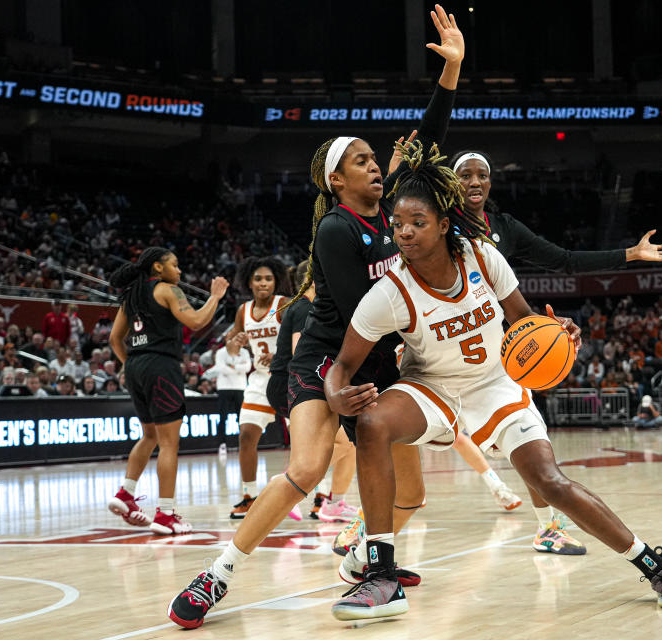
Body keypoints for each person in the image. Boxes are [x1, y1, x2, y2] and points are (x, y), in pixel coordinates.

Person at [166, 6, 463, 628]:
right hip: (329, 358)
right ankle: (215, 576)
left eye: (373, 157)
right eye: (359, 159)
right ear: (336, 179)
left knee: (412, 494)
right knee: (305, 467)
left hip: (378, 365)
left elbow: (428, 141)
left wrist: (451, 71)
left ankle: (358, 558)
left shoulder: (395, 214)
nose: (374, 162)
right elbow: (361, 312)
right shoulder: (336, 226)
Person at [323, 142, 662, 619]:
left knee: (548, 480)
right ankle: (381, 576)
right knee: (372, 423)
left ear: (442, 223)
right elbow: (342, 368)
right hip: (431, 386)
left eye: (417, 223)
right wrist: (337, 395)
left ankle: (655, 565)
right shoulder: (389, 292)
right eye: (397, 225)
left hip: (496, 383)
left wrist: (555, 332)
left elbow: (523, 322)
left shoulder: (483, 257)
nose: (405, 233)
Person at [106, 247, 229, 535]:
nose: (180, 271)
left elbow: (114, 339)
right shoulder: (168, 290)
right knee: (169, 444)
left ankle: (126, 493)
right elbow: (197, 322)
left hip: (136, 365)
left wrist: (132, 364)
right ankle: (166, 514)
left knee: (149, 435)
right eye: (175, 265)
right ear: (159, 268)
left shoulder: (131, 296)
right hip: (161, 366)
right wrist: (215, 297)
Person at [268, 261, 358, 522]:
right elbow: (301, 352)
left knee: (349, 442)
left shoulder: (304, 306)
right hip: (292, 382)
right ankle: (292, 484)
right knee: (342, 441)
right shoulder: (305, 308)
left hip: (295, 382)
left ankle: (334, 503)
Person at [226, 256, 292, 519]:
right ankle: (249, 495)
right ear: (249, 283)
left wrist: (280, 358)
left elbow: (302, 338)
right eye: (258, 279)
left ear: (276, 281)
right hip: (261, 379)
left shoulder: (284, 304)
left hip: (289, 376)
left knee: (303, 441)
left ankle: (317, 495)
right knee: (246, 436)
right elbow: (232, 345)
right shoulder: (243, 311)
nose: (263, 283)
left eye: (268, 278)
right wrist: (236, 341)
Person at [213, 331, 250, 444]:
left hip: (240, 388)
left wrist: (232, 367)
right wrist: (238, 369)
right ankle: (222, 444)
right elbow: (221, 368)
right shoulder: (220, 352)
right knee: (223, 417)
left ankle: (242, 443)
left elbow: (248, 367)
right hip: (224, 388)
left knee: (242, 418)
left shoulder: (244, 352)